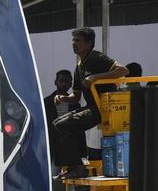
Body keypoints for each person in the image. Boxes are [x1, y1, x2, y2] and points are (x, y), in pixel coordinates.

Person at [51, 27, 128, 178]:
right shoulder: (79, 66)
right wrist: (63, 98)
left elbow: (123, 70)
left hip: (103, 108)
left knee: (62, 126)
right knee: (56, 124)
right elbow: (76, 96)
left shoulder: (97, 57)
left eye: (78, 41)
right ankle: (75, 165)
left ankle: (77, 168)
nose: (74, 43)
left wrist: (95, 77)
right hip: (91, 107)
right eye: (73, 40)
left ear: (89, 43)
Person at [44, 70, 80, 191]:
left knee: (72, 185)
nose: (64, 84)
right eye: (61, 81)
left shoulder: (75, 104)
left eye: (67, 81)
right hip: (54, 150)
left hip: (71, 150)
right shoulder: (46, 103)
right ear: (55, 82)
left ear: (71, 84)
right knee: (53, 184)